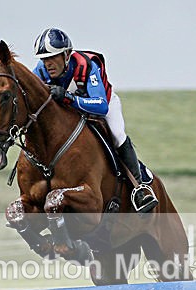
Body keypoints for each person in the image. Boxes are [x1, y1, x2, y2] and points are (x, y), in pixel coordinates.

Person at [31, 28, 158, 213]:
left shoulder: (86, 65)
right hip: (72, 110)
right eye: (44, 59)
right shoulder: (41, 71)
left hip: (102, 103)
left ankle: (139, 189)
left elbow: (100, 105)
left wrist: (68, 98)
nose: (47, 64)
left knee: (117, 135)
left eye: (53, 57)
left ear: (66, 55)